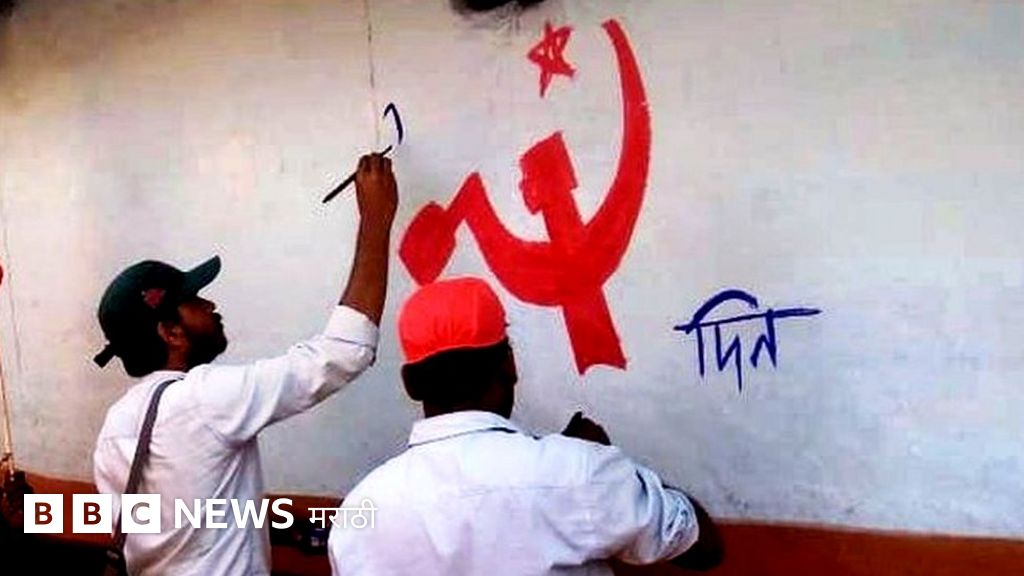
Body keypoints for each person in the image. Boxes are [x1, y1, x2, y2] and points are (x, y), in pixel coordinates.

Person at [92, 153, 398, 575]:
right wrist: (376, 220)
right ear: (171, 332)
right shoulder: (203, 399)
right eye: (194, 301)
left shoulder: (114, 427)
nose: (211, 305)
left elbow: (184, 519)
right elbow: (344, 351)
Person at [328, 277, 723, 575]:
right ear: (509, 365)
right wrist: (604, 465)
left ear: (410, 384)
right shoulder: (579, 471)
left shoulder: (360, 510)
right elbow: (702, 546)